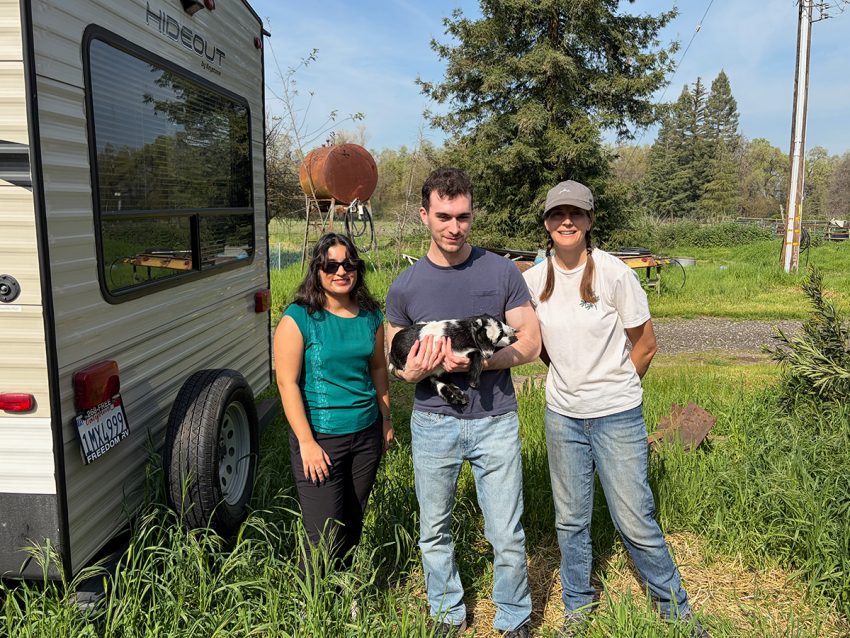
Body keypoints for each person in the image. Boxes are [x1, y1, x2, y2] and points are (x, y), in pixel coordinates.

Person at [522, 181, 711, 638]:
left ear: (589, 221)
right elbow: (540, 346)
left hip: (617, 415)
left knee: (635, 519)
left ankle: (677, 614)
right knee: (570, 520)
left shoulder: (613, 273)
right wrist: (567, 376)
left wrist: (615, 388)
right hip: (562, 416)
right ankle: (577, 610)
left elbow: (645, 345)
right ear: (546, 223)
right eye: (557, 214)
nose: (567, 221)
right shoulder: (532, 279)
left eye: (576, 213)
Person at [385, 168, 541, 638]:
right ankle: (447, 614)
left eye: (463, 217)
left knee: (506, 534)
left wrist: (473, 361)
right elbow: (395, 358)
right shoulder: (405, 286)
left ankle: (513, 618)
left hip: (495, 420)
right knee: (434, 530)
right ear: (424, 215)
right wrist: (409, 373)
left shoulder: (502, 270)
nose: (454, 227)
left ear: (473, 215)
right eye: (443, 216)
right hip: (433, 423)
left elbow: (531, 344)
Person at [274, 233, 393, 582]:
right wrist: (307, 443)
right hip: (321, 439)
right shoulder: (299, 318)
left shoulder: (371, 315)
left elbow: (377, 368)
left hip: (366, 434)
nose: (341, 271)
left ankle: (342, 595)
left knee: (353, 524)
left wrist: (386, 418)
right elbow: (286, 383)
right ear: (317, 270)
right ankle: (308, 608)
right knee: (323, 535)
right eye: (331, 265)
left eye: (349, 264)